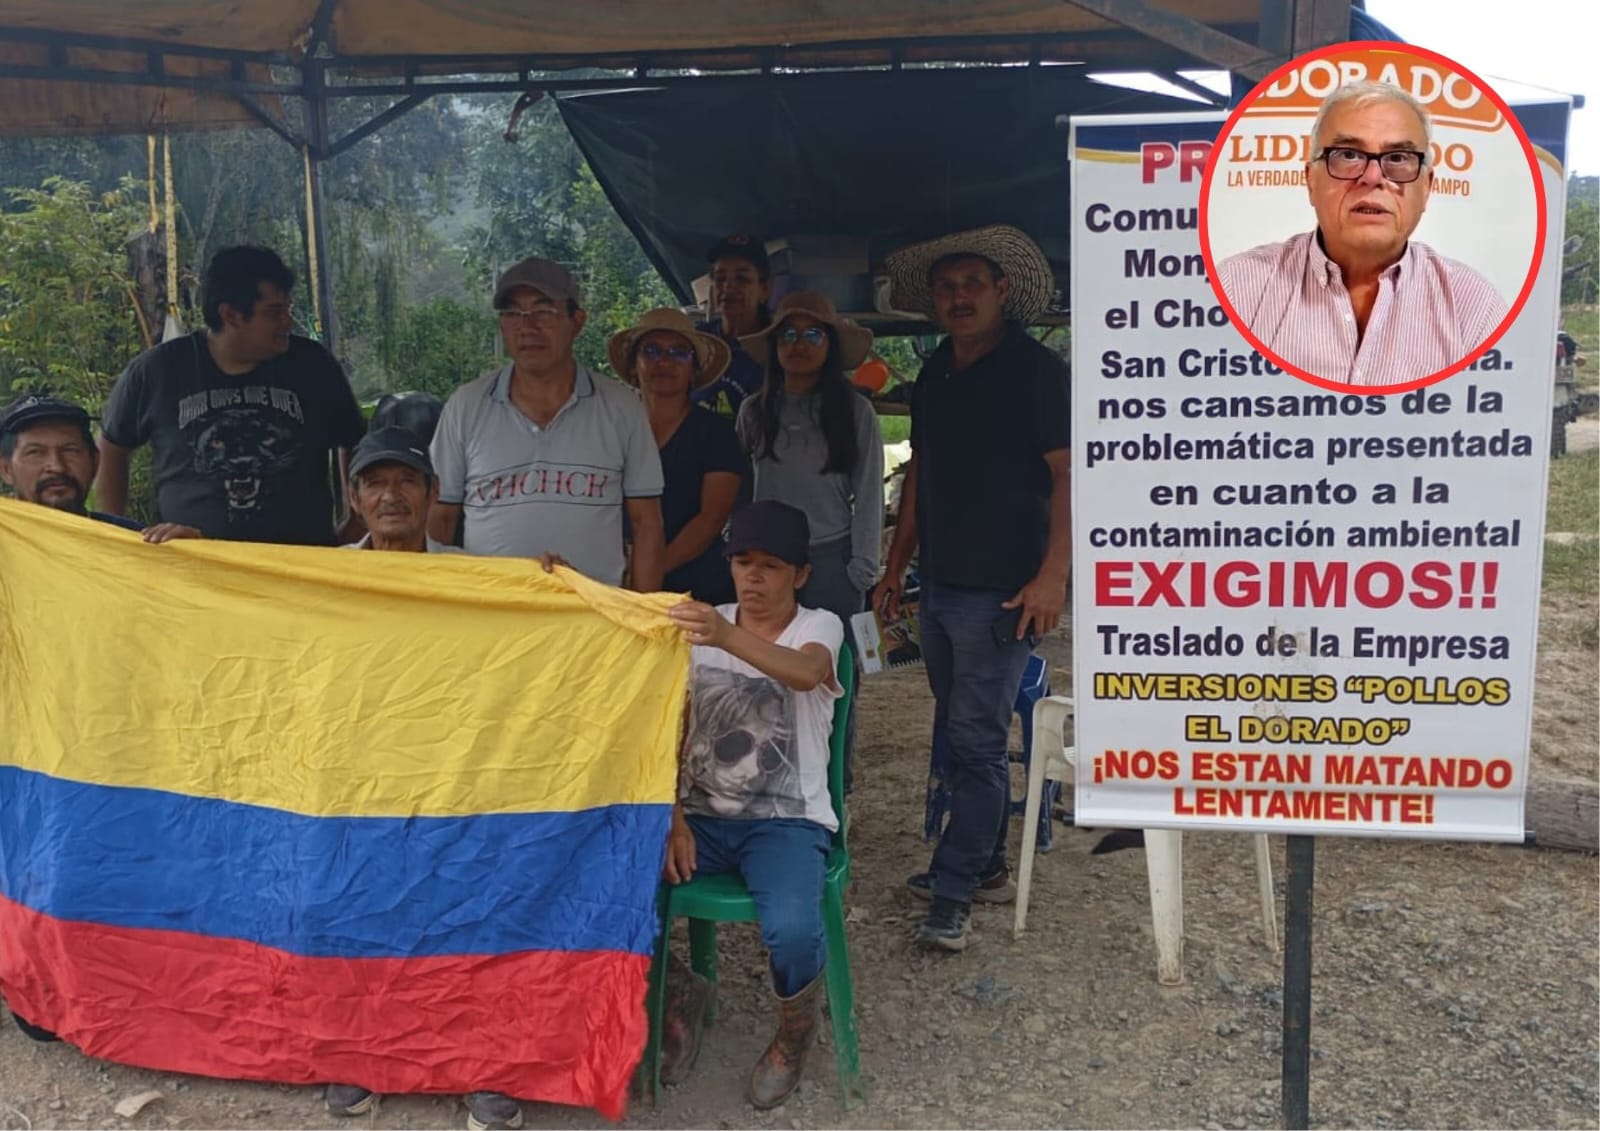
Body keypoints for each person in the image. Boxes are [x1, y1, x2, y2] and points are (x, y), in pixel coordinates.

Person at [876, 224, 1070, 953]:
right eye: (946, 288)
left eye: (971, 285)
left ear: (1001, 293)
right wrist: (898, 563)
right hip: (943, 583)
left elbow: (1067, 472)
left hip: (1008, 591)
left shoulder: (1035, 370)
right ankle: (983, 860)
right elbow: (921, 472)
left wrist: (1054, 573)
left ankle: (954, 891)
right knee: (957, 730)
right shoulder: (934, 375)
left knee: (979, 741)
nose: (958, 298)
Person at [660, 500, 844, 1110]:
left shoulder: (820, 625)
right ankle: (679, 995)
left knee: (791, 931)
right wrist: (673, 817)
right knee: (610, 887)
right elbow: (666, 733)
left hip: (786, 822)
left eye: (771, 565)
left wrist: (725, 633)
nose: (755, 577)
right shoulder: (700, 631)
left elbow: (806, 673)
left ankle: (794, 1038)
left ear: (801, 575)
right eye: (743, 562)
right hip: (703, 817)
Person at [1217, 80, 1509, 386]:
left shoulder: (1474, 307)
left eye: (1398, 159)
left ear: (1426, 188)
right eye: (1348, 155)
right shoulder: (1237, 289)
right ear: (1310, 181)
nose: (1372, 178)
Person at [97, 245, 367, 544]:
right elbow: (112, 445)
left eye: (287, 309)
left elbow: (353, 439)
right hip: (194, 571)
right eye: (274, 312)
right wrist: (115, 534)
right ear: (231, 315)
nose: (287, 322)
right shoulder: (158, 370)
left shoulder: (314, 365)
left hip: (300, 569)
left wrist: (356, 517)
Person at [427, 257, 665, 590]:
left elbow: (647, 524)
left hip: (591, 615)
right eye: (513, 313)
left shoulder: (621, 408)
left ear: (577, 321)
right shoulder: (465, 406)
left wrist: (644, 617)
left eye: (544, 311)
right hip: (491, 612)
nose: (527, 327)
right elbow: (440, 518)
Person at [735, 290, 883, 643]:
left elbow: (868, 493)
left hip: (831, 558)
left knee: (833, 672)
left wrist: (860, 570)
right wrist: (737, 544)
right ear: (775, 346)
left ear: (830, 345)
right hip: (764, 556)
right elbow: (737, 487)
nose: (799, 345)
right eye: (788, 335)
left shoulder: (856, 412)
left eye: (813, 335)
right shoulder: (753, 411)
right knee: (764, 664)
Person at [607, 308, 746, 602]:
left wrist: (648, 573)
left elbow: (711, 519)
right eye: (652, 351)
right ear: (634, 365)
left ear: (694, 368)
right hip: (614, 584)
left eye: (679, 353)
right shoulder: (609, 430)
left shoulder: (716, 433)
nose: (665, 362)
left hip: (698, 590)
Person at [0, 393, 201, 543]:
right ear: (6, 470)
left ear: (95, 462)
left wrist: (190, 557)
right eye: (35, 453)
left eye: (70, 450)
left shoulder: (135, 542)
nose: (56, 466)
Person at [694, 234, 773, 419]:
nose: (728, 287)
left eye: (742, 279)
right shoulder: (697, 340)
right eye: (720, 279)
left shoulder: (779, 346)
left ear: (765, 289)